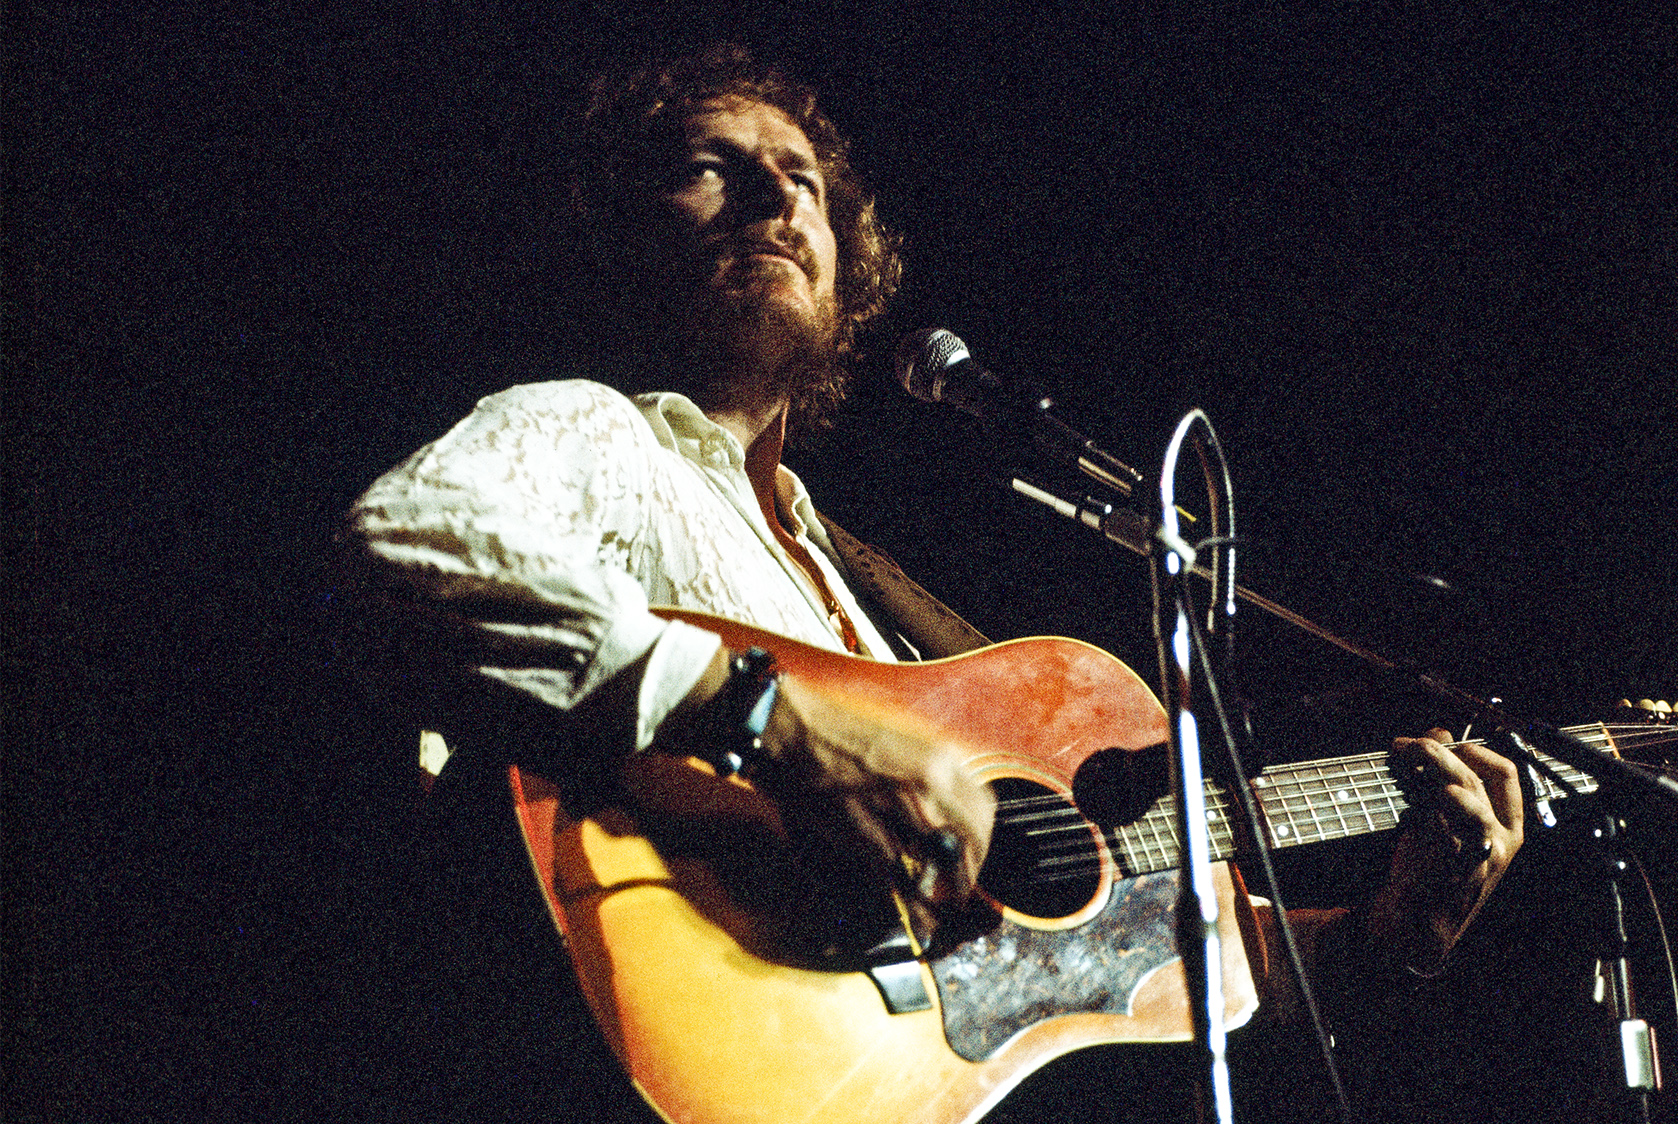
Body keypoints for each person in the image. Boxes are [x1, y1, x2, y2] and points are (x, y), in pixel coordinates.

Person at [337, 43, 1525, 1123]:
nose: (774, 199)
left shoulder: (854, 587)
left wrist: (1386, 937)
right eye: (713, 166)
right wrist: (783, 727)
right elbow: (410, 547)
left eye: (802, 180)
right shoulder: (596, 434)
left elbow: (1097, 964)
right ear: (614, 237)